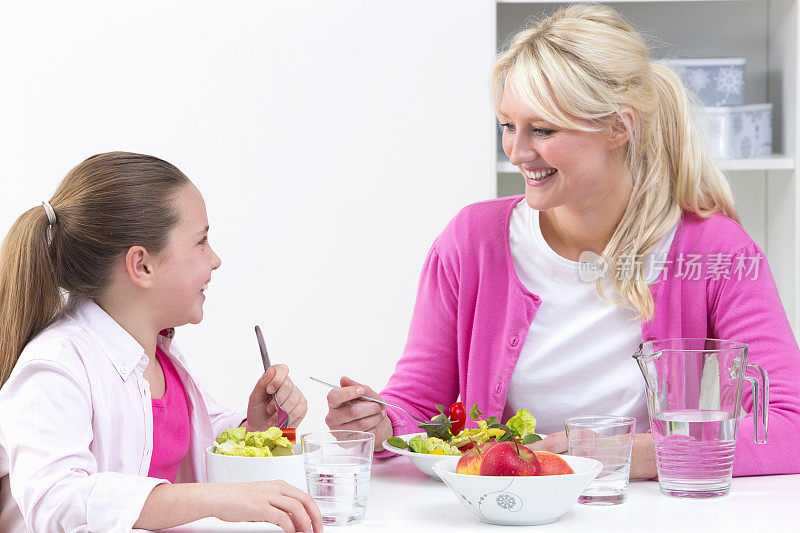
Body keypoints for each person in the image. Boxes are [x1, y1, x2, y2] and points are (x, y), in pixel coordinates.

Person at [325, 4, 800, 478]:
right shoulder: (472, 242)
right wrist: (379, 423)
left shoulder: (712, 250)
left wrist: (624, 454)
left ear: (619, 127)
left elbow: (789, 425)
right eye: (509, 125)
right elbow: (415, 406)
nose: (517, 151)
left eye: (543, 130)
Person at [0, 153, 322, 533]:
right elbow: (57, 502)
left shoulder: (161, 355)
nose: (215, 259)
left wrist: (254, 425)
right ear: (143, 266)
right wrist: (222, 498)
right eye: (201, 241)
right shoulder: (55, 366)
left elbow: (186, 435)